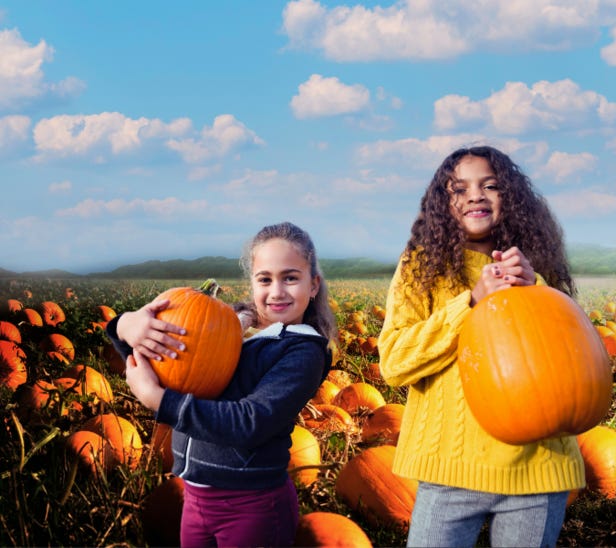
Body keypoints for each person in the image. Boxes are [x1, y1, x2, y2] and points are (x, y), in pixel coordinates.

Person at [377, 145, 582, 547]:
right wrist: (471, 303)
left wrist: (535, 287)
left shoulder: (535, 266)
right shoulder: (420, 266)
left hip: (537, 467)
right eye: (459, 188)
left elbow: (573, 359)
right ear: (442, 202)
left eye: (491, 185)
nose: (475, 195)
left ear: (512, 198)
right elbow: (395, 362)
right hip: (449, 470)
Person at [106, 222, 336, 547]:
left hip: (254, 506)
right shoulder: (227, 329)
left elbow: (251, 422)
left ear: (313, 285)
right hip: (196, 497)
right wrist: (125, 326)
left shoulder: (302, 351)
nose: (277, 291)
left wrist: (159, 400)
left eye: (291, 278)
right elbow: (167, 363)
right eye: (265, 279)